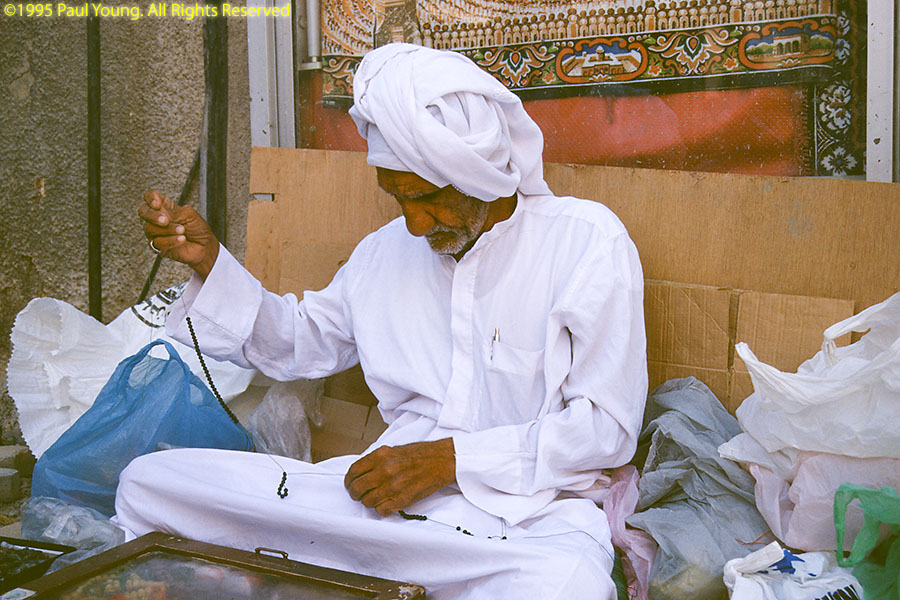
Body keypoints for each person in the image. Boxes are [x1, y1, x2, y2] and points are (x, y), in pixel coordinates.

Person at [118, 43, 647, 599]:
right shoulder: (381, 254)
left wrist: (448, 461)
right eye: (398, 199)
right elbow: (299, 341)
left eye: (427, 197)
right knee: (149, 483)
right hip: (378, 515)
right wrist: (209, 263)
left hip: (527, 521)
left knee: (566, 585)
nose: (415, 224)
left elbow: (606, 430)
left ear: (478, 172)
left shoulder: (585, 242)